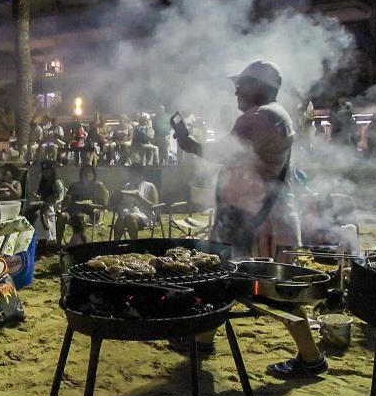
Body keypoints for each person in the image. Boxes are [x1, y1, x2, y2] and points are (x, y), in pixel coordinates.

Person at [177, 60, 327, 378]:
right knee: (230, 281)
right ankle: (204, 340)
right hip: (263, 219)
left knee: (264, 290)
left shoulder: (259, 118)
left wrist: (189, 143)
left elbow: (226, 154)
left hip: (259, 222)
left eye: (242, 84)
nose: (236, 90)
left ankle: (311, 357)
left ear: (260, 88)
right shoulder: (276, 115)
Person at [57, 165, 109, 246]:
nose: (87, 175)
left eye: (89, 172)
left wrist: (92, 205)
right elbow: (66, 202)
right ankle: (58, 244)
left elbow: (104, 206)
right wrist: (66, 200)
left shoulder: (98, 186)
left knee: (79, 217)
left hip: (91, 214)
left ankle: (79, 242)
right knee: (61, 216)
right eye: (84, 173)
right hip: (72, 211)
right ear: (80, 174)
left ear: (93, 174)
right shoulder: (74, 186)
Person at [24, 160, 66, 249]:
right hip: (44, 204)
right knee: (28, 211)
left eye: (48, 172)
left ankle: (44, 239)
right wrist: (35, 196)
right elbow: (41, 196)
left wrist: (45, 200)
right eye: (44, 172)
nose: (46, 174)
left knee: (39, 214)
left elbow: (58, 198)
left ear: (52, 171)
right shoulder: (43, 181)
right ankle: (31, 237)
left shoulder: (57, 182)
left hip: (54, 206)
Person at [111, 163, 159, 241]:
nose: (132, 176)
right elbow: (121, 203)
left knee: (130, 218)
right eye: (131, 174)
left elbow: (155, 205)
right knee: (121, 218)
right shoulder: (127, 186)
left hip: (145, 215)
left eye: (135, 174)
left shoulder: (149, 186)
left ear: (141, 174)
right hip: (127, 213)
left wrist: (139, 197)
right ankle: (116, 245)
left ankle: (134, 245)